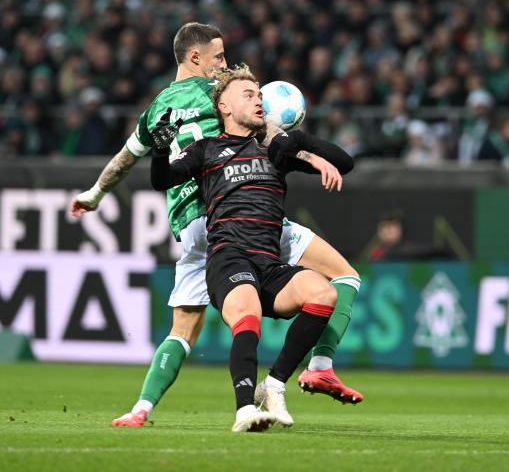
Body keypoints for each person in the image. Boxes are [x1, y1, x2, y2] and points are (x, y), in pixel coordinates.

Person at [69, 22, 362, 429]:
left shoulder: (155, 111)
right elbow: (266, 132)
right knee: (344, 276)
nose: (223, 64)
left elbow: (125, 160)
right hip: (239, 207)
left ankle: (142, 408)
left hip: (190, 225)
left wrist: (95, 194)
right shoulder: (220, 92)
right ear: (196, 58)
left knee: (183, 330)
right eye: (219, 57)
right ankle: (319, 364)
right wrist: (309, 155)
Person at [148, 64, 354, 432]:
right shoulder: (206, 150)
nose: (259, 100)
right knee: (248, 313)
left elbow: (345, 162)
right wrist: (160, 152)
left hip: (270, 263)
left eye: (260, 94)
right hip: (229, 257)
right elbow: (161, 180)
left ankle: (273, 385)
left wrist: (299, 140)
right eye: (249, 95)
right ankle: (244, 409)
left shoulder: (273, 150)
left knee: (323, 293)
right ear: (224, 107)